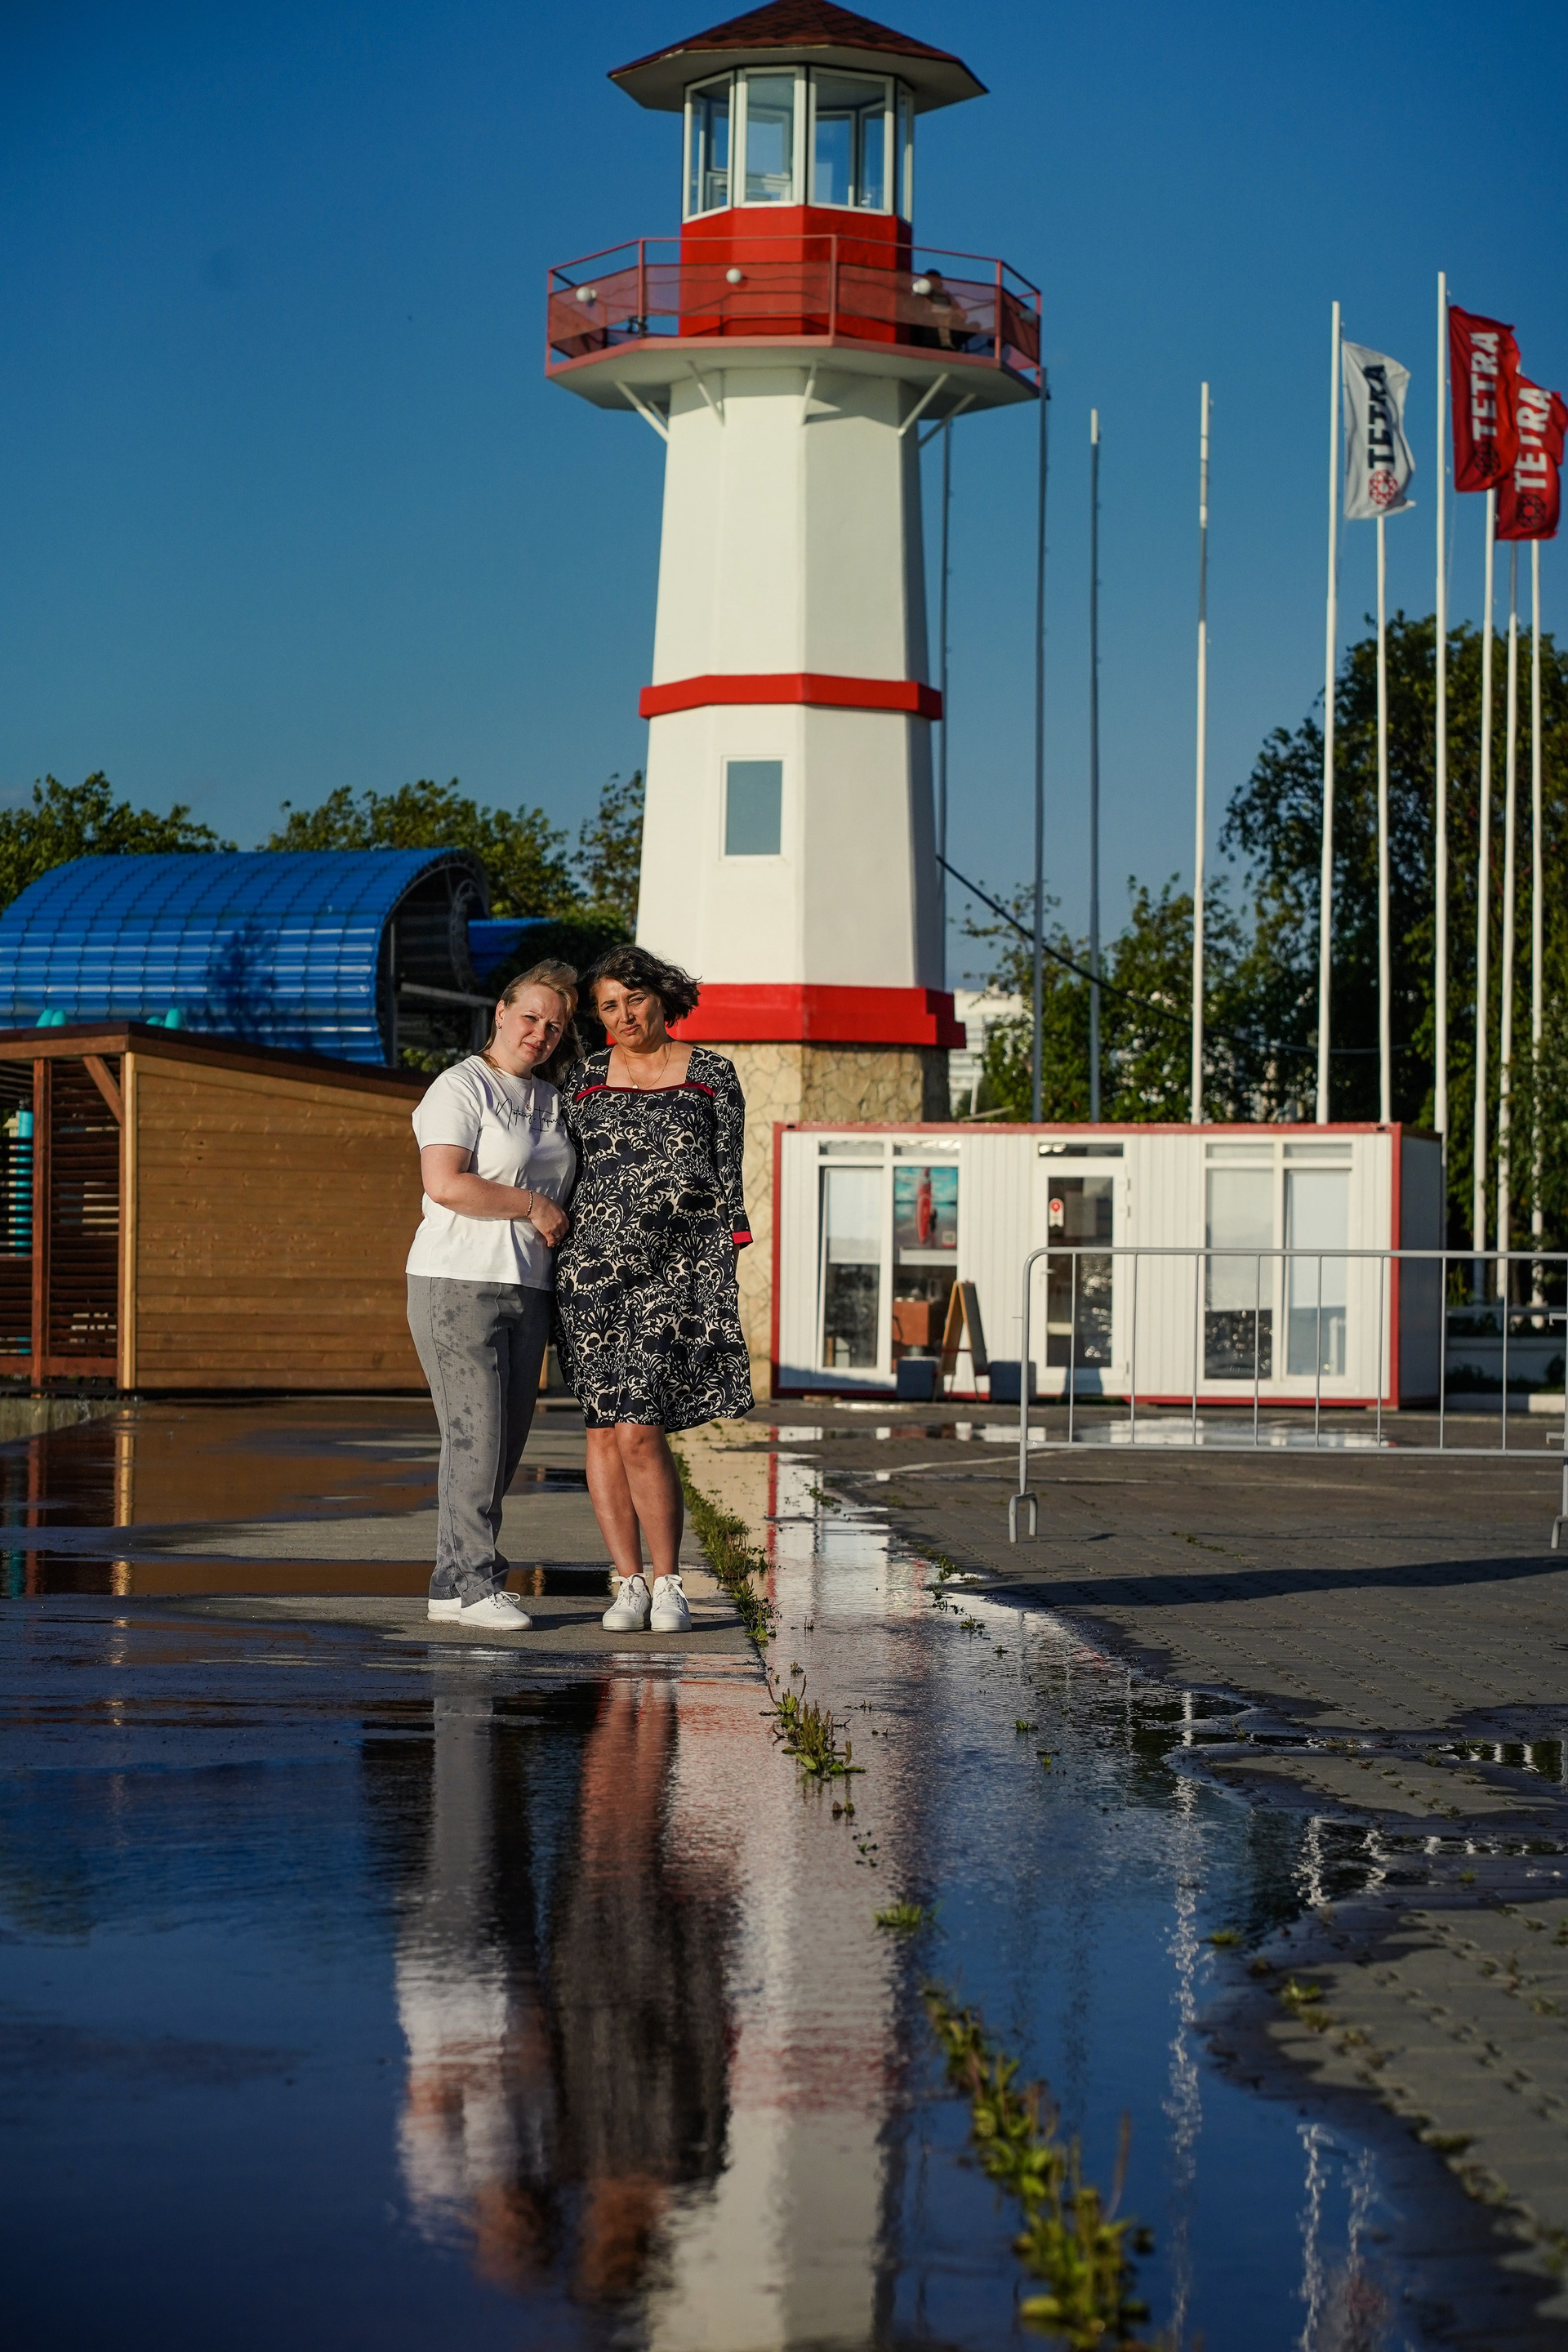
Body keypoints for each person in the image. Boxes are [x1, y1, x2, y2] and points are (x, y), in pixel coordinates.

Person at [554, 945, 753, 1634]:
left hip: (675, 1272)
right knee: (604, 1430)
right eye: (608, 1006)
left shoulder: (712, 1075)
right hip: (590, 1274)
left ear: (661, 997)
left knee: (641, 1426)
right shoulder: (582, 1079)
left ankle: (669, 1583)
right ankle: (628, 1583)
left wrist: (720, 1268)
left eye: (633, 999)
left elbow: (728, 1176)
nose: (623, 1015)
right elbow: (563, 1171)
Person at [406, 967, 577, 1631]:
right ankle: (480, 1584)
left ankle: (450, 1585)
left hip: (528, 1283)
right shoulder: (460, 1085)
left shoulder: (551, 1098)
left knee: (502, 1446)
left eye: (554, 1025)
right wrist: (532, 1204)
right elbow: (446, 1183)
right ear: (501, 1012)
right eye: (531, 1017)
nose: (541, 1033)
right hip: (457, 1280)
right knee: (474, 1436)